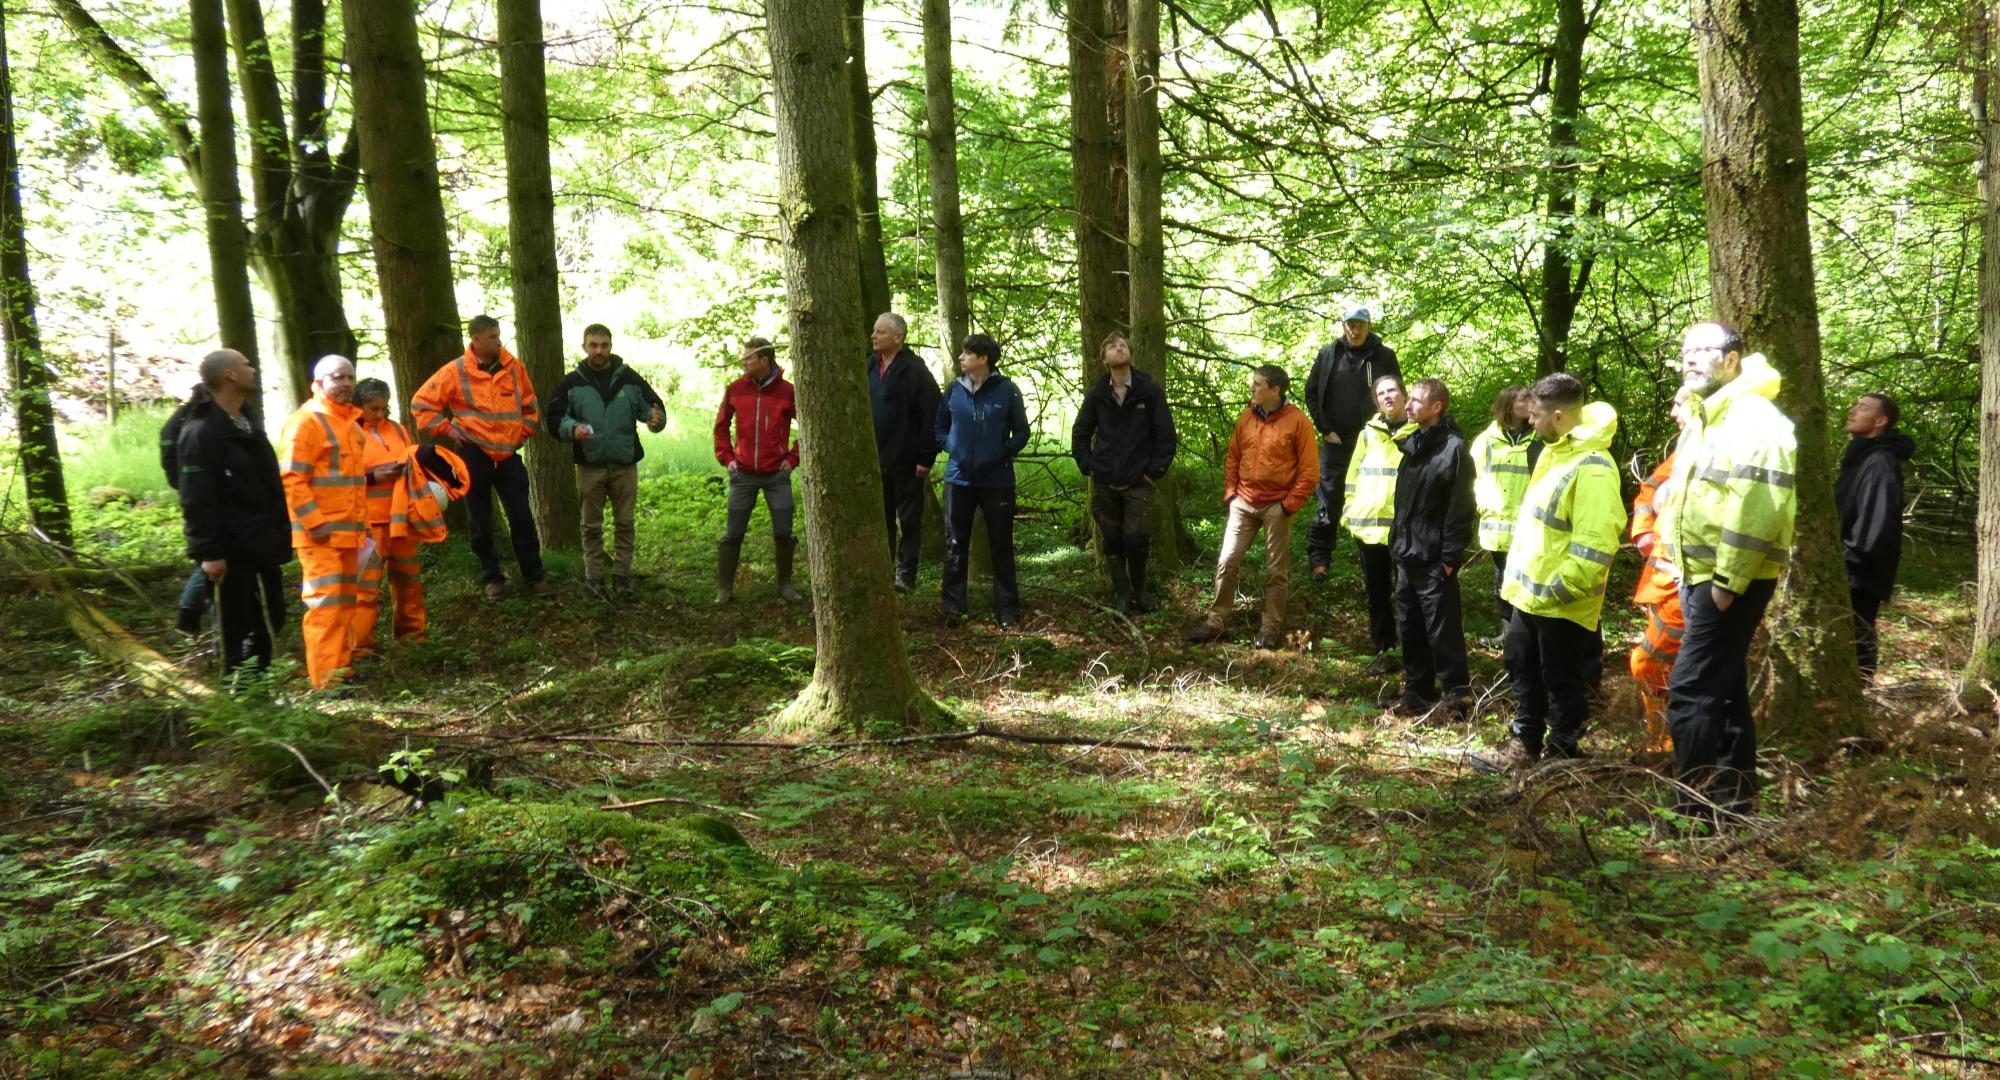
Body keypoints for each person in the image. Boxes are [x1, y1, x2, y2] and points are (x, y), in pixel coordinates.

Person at [1660, 322, 1797, 826]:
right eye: (1685, 351)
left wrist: (1727, 584)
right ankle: (1735, 803)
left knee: (1691, 690)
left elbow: (1757, 507)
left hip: (1729, 581)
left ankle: (1689, 813)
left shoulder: (1756, 420)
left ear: (1733, 359)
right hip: (1701, 576)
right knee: (1724, 684)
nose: (1690, 359)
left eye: (1703, 351)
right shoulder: (1707, 416)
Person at [1489, 373, 1625, 767]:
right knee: (1521, 666)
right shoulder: (1552, 453)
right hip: (1528, 596)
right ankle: (1524, 745)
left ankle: (1562, 756)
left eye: (1535, 416)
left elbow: (1596, 542)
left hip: (1561, 602)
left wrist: (1561, 589)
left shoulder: (1594, 467)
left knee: (1563, 681)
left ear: (1560, 416)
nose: (1530, 422)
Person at [411, 315, 553, 599]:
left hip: (509, 456)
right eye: (492, 336)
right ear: (475, 339)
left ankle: (534, 576)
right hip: (473, 455)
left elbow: (531, 410)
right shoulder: (456, 371)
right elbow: (421, 405)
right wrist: (448, 430)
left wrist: (519, 436)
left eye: (499, 335)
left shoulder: (515, 367)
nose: (498, 341)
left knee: (522, 517)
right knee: (479, 520)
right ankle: (493, 578)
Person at [174, 350, 290, 677]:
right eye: (246, 365)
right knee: (235, 629)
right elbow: (196, 497)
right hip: (230, 551)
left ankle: (260, 694)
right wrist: (209, 552)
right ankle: (237, 700)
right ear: (229, 375)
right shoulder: (200, 432)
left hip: (261, 544)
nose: (252, 369)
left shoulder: (247, 423)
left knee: (271, 618)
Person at [1188, 365, 1319, 649]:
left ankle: (1270, 628)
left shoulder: (1298, 422)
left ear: (1275, 390)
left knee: (1276, 570)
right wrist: (1231, 495)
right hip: (1243, 502)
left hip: (1277, 505)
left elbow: (1310, 472)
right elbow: (1233, 456)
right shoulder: (1247, 416)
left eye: (1258, 384)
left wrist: (1287, 506)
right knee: (1227, 561)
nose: (1252, 388)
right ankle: (1216, 621)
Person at [548, 324, 667, 596]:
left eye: (603, 345)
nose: (599, 350)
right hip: (589, 466)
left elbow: (653, 409)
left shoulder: (628, 378)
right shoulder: (572, 382)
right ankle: (594, 579)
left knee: (625, 523)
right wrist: (572, 429)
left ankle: (622, 578)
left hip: (624, 465)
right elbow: (554, 418)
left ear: (611, 346)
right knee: (590, 525)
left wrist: (655, 420)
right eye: (593, 345)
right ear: (584, 347)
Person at [1386, 378, 1477, 715]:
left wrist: (1450, 557)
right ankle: (1417, 692)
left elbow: (1460, 507)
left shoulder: (1453, 449)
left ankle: (1457, 698)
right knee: (1409, 626)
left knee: (1443, 631)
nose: (1407, 405)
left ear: (1436, 407)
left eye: (1415, 400)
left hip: (1435, 558)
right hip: (1406, 553)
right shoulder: (1413, 444)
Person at [1071, 332, 1178, 615]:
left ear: (1130, 353)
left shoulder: (1148, 389)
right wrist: (1089, 466)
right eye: (1111, 346)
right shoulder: (1097, 394)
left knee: (1137, 539)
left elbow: (1166, 435)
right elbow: (1081, 432)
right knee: (1112, 537)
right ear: (1103, 358)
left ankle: (1140, 590)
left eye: (1122, 346)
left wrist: (1153, 472)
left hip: (1138, 480)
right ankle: (1121, 594)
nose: (1118, 349)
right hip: (1105, 479)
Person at [281, 355, 369, 690]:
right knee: (325, 609)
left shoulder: (348, 423)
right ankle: (325, 682)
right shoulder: (307, 422)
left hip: (348, 535)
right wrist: (314, 522)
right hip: (320, 537)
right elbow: (292, 476)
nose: (346, 383)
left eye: (350, 377)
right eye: (337, 377)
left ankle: (341, 669)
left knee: (345, 606)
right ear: (318, 384)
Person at [935, 334, 1030, 627]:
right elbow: (939, 427)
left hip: (997, 480)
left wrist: (1001, 452)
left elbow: (1022, 432)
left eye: (967, 353)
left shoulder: (1007, 391)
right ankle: (952, 607)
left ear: (983, 359)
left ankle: (1007, 610)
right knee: (954, 542)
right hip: (958, 479)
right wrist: (953, 448)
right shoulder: (954, 390)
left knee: (1000, 543)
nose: (961, 358)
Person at [1303, 306, 1400, 583]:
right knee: (1329, 496)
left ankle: (1382, 559)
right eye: (1350, 325)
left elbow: (1395, 393)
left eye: (1359, 325)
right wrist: (1326, 429)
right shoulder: (1328, 354)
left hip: (1374, 443)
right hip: (1337, 441)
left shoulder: (1384, 356)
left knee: (1379, 498)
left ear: (1369, 326)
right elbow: (1311, 393)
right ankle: (1320, 558)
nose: (1354, 331)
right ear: (1343, 325)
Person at [712, 337, 801, 604]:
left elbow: (808, 428)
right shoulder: (736, 389)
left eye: (749, 358)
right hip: (743, 476)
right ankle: (724, 588)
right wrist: (727, 458)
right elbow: (720, 427)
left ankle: (785, 585)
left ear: (765, 361)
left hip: (777, 476)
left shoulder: (788, 391)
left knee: (783, 532)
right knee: (733, 534)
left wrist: (792, 459)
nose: (744, 362)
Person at [1628, 397, 1694, 753]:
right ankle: (1660, 739)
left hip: (1692, 586)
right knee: (1655, 666)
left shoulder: (1723, 448)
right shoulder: (1684, 450)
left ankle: (1671, 741)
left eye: (1681, 404)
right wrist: (1643, 529)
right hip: (1662, 581)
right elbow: (1649, 489)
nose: (1672, 412)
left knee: (1650, 664)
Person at [1835, 392, 1914, 680]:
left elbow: (1875, 525)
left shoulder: (1879, 462)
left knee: (1857, 641)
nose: (1853, 410)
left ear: (1880, 421)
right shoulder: (1861, 457)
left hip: (1859, 574)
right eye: (1855, 404)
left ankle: (1862, 703)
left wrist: (1846, 563)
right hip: (1851, 569)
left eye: (1863, 407)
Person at [1343, 374, 1416, 672]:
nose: (1387, 397)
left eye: (1392, 391)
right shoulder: (1368, 434)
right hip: (1368, 529)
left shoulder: (1417, 432)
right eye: (1381, 393)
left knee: (1408, 595)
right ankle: (1384, 650)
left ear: (1404, 395)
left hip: (1403, 531)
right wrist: (1349, 512)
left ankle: (1414, 653)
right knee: (1377, 595)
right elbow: (1352, 476)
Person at [867, 312, 943, 593]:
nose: (874, 336)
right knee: (881, 520)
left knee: (909, 522)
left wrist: (926, 457)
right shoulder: (870, 367)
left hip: (909, 463)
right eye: (874, 331)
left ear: (898, 337)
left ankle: (906, 575)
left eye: (880, 332)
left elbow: (933, 414)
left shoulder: (915, 370)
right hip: (877, 462)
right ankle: (882, 572)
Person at [350, 378, 425, 656]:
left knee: (408, 581)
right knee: (367, 587)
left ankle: (413, 636)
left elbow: (412, 463)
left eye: (384, 408)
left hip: (400, 519)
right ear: (359, 407)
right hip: (369, 522)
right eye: (373, 408)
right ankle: (361, 646)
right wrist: (372, 477)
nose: (380, 414)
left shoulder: (398, 430)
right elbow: (340, 475)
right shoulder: (350, 432)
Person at [1470, 385, 1537, 631]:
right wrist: (1483, 504)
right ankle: (1508, 633)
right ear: (1508, 405)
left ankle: (1524, 634)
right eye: (1523, 399)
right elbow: (1472, 478)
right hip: (1496, 525)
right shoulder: (1486, 441)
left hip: (1529, 527)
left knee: (1527, 581)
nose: (1530, 402)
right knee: (1501, 580)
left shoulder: (1539, 438)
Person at [161, 385, 223, 636]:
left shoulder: (181, 420)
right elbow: (173, 462)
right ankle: (188, 615)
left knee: (209, 559)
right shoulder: (190, 423)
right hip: (199, 495)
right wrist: (188, 487)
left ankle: (191, 614)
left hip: (197, 492)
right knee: (209, 558)